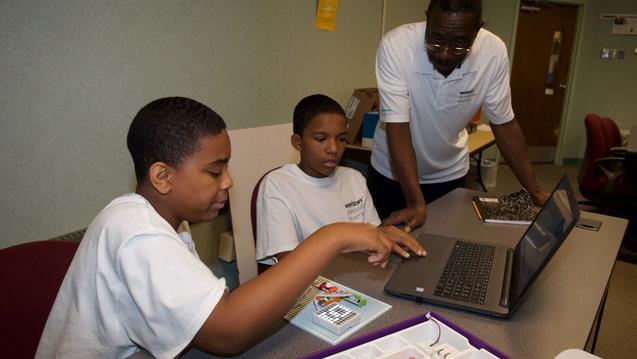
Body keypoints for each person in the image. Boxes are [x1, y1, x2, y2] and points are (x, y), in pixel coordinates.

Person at [35, 97, 425, 358]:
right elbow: (228, 334)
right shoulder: (135, 232)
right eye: (214, 170)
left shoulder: (165, 224)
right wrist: (333, 235)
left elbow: (216, 310)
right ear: (162, 177)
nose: (228, 182)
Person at [368, 0, 549, 233]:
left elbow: (504, 124)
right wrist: (415, 202)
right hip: (391, 177)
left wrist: (535, 192)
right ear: (427, 20)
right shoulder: (396, 46)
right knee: (387, 255)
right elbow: (398, 128)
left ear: (477, 30)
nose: (444, 53)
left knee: (444, 250)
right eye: (436, 39)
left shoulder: (493, 52)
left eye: (459, 43)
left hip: (448, 175)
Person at [255, 94, 384, 263]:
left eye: (342, 139)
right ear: (297, 142)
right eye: (321, 139)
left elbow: (375, 237)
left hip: (358, 274)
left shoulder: (354, 179)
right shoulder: (277, 185)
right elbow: (288, 265)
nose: (333, 148)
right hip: (313, 284)